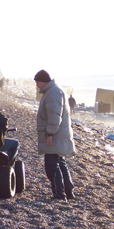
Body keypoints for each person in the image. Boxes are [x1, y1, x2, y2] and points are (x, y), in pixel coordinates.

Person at [34, 70, 76, 201]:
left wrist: (50, 134)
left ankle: (60, 194)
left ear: (42, 81)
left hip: (56, 135)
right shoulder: (55, 90)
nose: (37, 85)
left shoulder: (53, 93)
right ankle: (68, 192)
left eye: (37, 82)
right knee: (61, 163)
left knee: (52, 166)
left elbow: (54, 116)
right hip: (60, 134)